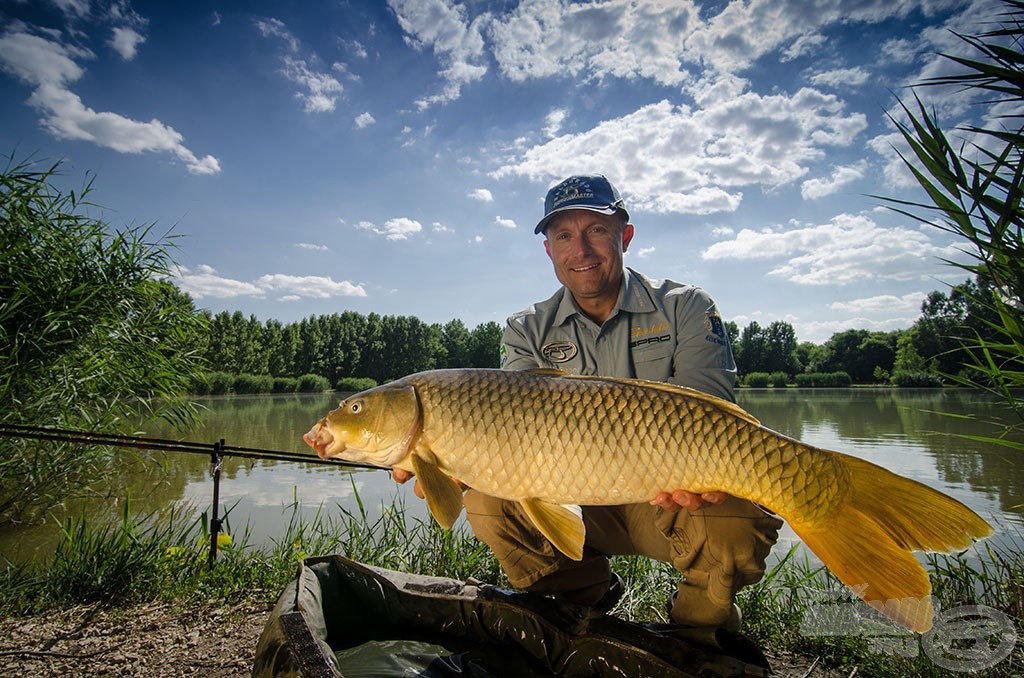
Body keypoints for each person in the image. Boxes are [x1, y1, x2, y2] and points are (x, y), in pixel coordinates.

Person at [397, 174, 782, 631]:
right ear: (549, 250)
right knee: (488, 501)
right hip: (571, 494)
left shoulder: (686, 306)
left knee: (737, 516)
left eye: (596, 230)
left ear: (626, 236)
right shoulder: (526, 329)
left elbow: (711, 415)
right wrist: (460, 461)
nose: (580, 250)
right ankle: (582, 605)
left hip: (669, 495)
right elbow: (510, 425)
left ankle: (700, 634)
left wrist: (699, 474)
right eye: (563, 235)